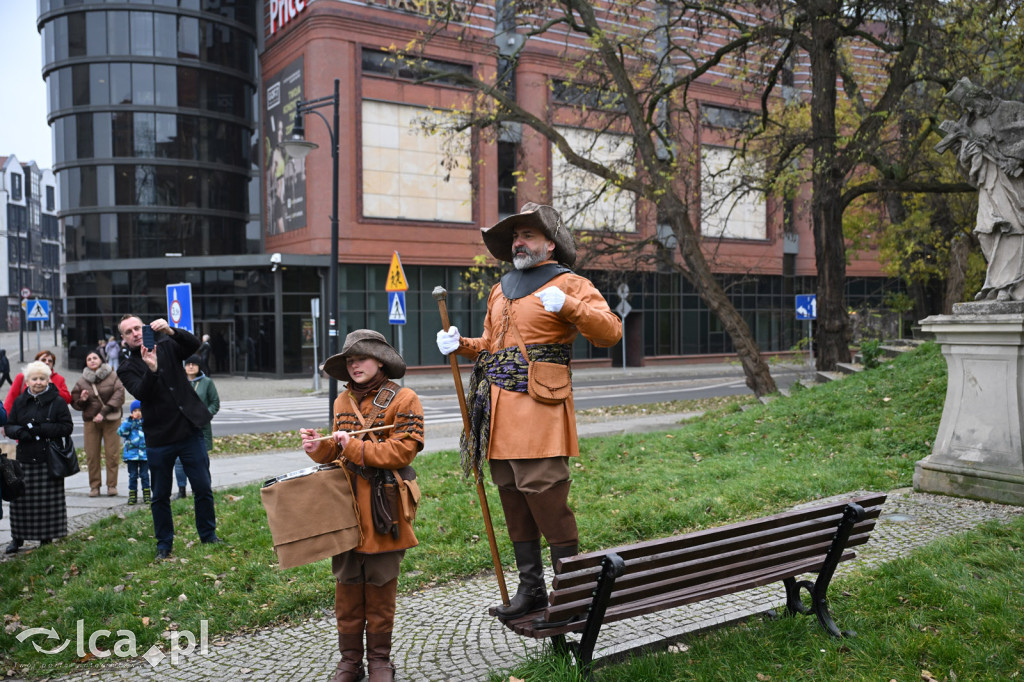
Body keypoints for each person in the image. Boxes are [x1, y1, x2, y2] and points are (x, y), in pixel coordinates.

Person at [436, 203, 622, 618]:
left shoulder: (569, 283)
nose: (518, 242)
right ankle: (531, 589)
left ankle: (571, 593)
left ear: (550, 244)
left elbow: (611, 332)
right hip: (498, 414)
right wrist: (460, 344)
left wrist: (570, 306)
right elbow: (491, 346)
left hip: (540, 411)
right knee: (512, 496)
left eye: (528, 235)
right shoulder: (500, 289)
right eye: (516, 237)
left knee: (547, 499)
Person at [300, 330, 424, 682]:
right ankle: (350, 662)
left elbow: (403, 451)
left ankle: (380, 661)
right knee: (347, 587)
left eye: (361, 358)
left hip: (385, 507)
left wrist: (353, 447)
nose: (355, 366)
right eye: (350, 361)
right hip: (346, 507)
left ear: (380, 361)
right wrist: (319, 448)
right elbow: (336, 451)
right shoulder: (342, 402)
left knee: (381, 587)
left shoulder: (404, 399)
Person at [117, 315, 221, 560]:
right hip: (159, 437)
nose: (135, 333)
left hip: (188, 430)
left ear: (145, 328)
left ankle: (208, 536)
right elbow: (141, 393)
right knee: (160, 495)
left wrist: (171, 330)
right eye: (128, 332)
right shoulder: (126, 368)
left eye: (137, 328)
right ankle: (164, 545)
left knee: (202, 486)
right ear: (123, 339)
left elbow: (193, 345)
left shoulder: (166, 345)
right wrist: (151, 370)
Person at [937, 77, 1024, 301]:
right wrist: (968, 152)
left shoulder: (1012, 110)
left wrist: (1017, 160)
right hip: (988, 183)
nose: (972, 110)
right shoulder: (969, 123)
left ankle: (1010, 287)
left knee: (1011, 230)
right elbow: (963, 161)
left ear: (980, 96)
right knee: (986, 232)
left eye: (972, 104)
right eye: (967, 107)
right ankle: (996, 283)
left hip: (1011, 183)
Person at [4, 360, 74, 554]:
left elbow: (67, 427)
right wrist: (20, 432)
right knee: (20, 503)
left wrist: (41, 429)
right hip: (24, 459)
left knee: (47, 505)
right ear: (27, 381)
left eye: (42, 379)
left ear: (48, 380)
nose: (38, 382)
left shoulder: (58, 401)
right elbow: (9, 426)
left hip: (48, 459)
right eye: (34, 379)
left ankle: (46, 538)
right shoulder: (20, 401)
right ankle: (17, 538)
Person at [70, 351, 125, 497]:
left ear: (101, 360)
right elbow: (75, 403)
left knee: (112, 454)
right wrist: (82, 399)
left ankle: (112, 485)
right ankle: (94, 486)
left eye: (95, 358)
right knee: (92, 455)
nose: (92, 360)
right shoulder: (82, 381)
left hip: (111, 420)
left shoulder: (112, 376)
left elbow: (119, 394)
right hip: (91, 421)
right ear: (86, 363)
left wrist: (103, 412)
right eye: (89, 359)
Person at [172, 355, 220, 500]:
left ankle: (201, 490)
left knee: (201, 460)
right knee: (179, 461)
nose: (191, 366)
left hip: (201, 427)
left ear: (199, 366)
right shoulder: (179, 382)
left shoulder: (207, 382)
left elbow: (215, 403)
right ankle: (181, 490)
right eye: (188, 364)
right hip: (182, 428)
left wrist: (204, 416)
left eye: (194, 364)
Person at [3, 350, 72, 415]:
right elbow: (10, 400)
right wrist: (6, 420)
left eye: (50, 361)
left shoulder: (59, 379)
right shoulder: (23, 377)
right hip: (24, 417)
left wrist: (53, 386)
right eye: (43, 360)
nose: (47, 362)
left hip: (49, 418)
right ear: (37, 361)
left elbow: (67, 399)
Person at [118, 400, 150, 505]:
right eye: (135, 411)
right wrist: (129, 422)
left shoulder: (146, 423)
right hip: (131, 455)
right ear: (132, 412)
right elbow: (121, 432)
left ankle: (146, 494)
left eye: (140, 410)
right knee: (132, 475)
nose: (137, 413)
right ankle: (132, 494)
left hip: (144, 454)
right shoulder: (129, 423)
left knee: (145, 475)